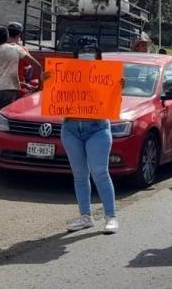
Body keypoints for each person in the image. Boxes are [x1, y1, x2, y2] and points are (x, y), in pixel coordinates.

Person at [61, 51, 118, 234]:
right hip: (70, 128)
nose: (85, 61)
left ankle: (110, 217)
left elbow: (112, 104)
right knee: (79, 174)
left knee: (100, 172)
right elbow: (55, 98)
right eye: (82, 56)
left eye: (90, 56)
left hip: (97, 128)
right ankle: (85, 217)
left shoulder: (105, 77)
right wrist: (47, 81)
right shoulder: (66, 76)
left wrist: (118, 88)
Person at [0, 26, 43, 132]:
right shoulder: (16, 49)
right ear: (6, 37)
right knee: (6, 123)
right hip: (11, 90)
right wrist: (40, 86)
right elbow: (37, 66)